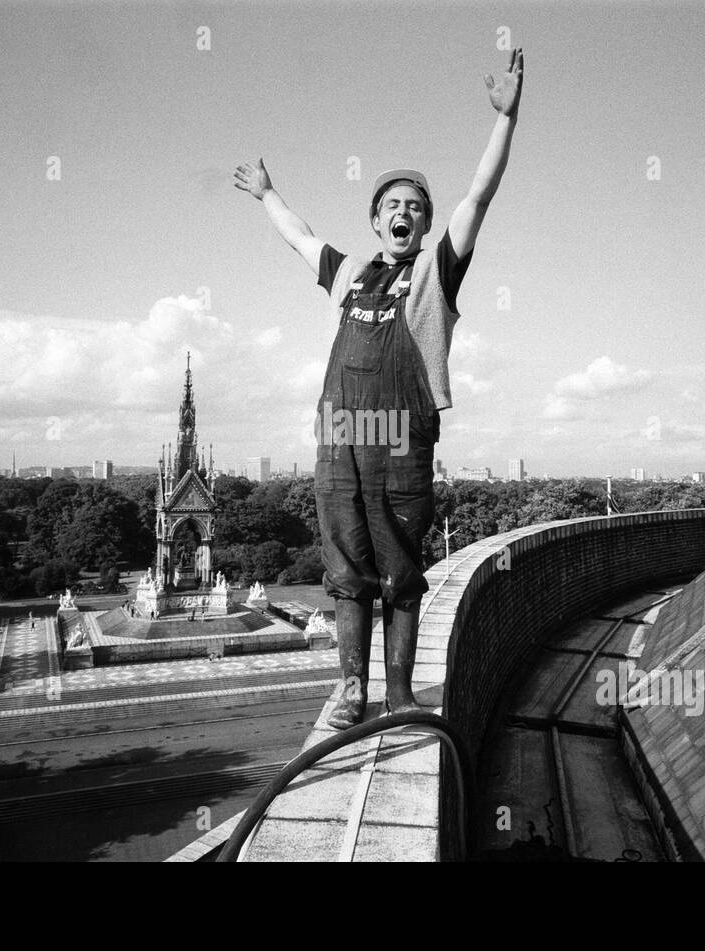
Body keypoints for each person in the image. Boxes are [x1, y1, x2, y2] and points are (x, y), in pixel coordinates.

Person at [234, 50, 524, 729]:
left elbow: (478, 195)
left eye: (415, 209)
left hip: (401, 444)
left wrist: (507, 119)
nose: (404, 214)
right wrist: (268, 193)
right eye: (392, 205)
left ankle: (398, 695)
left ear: (424, 226)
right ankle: (349, 691)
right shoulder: (349, 274)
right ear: (375, 221)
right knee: (346, 571)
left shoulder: (435, 277)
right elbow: (300, 237)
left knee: (399, 572)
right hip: (340, 443)